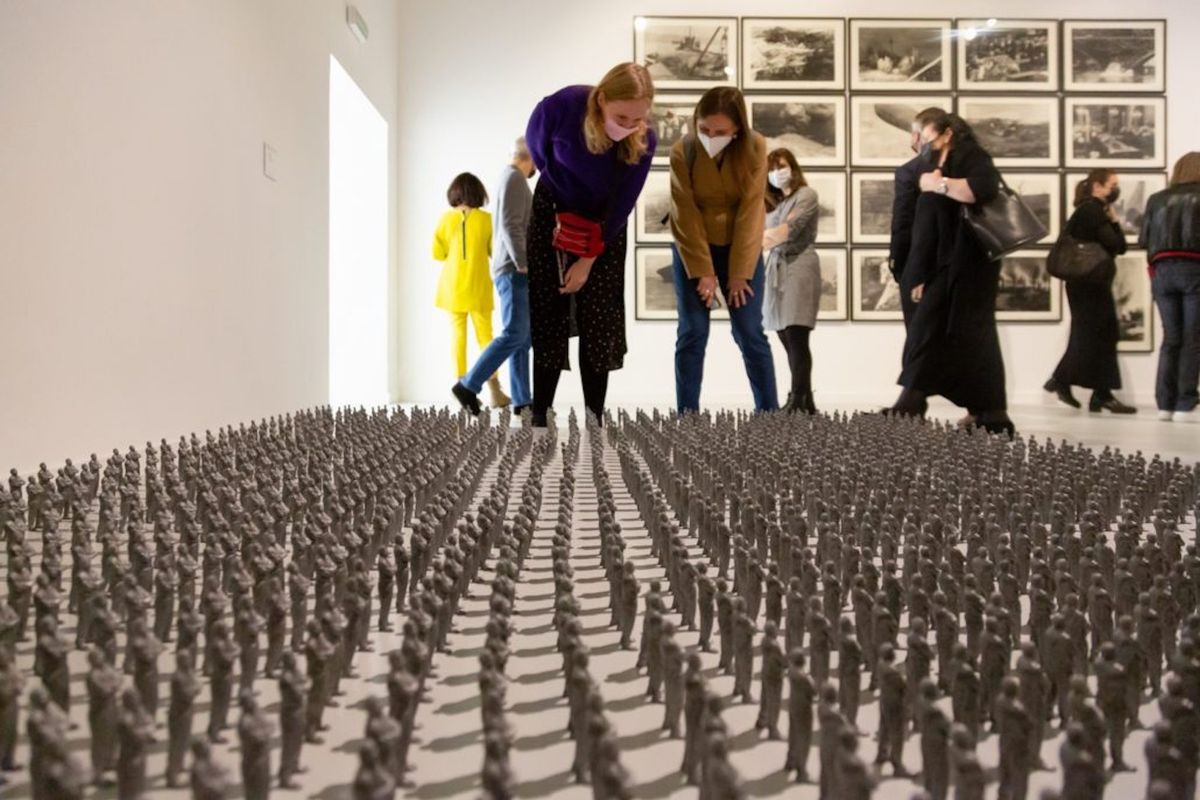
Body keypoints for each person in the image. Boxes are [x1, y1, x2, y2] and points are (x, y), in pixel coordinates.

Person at [524, 62, 656, 426]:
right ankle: (540, 412)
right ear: (601, 99)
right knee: (547, 306)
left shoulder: (645, 139)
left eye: (637, 119)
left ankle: (594, 415)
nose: (628, 126)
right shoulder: (562, 106)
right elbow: (538, 150)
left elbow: (623, 204)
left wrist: (586, 260)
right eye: (621, 116)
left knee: (599, 315)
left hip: (604, 224)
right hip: (552, 207)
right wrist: (559, 206)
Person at [887, 111, 1014, 436]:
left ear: (945, 133)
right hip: (944, 264)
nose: (918, 139)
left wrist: (939, 185)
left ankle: (912, 403)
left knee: (959, 330)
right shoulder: (928, 166)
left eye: (923, 132)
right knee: (957, 334)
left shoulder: (970, 157)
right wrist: (914, 271)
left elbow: (982, 189)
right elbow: (920, 227)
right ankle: (988, 410)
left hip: (971, 264)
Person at [669, 86, 776, 414]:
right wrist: (703, 271)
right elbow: (683, 211)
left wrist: (739, 274)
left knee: (748, 331)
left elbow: (751, 212)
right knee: (692, 332)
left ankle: (769, 414)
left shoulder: (756, 146)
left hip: (740, 249)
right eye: (704, 130)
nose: (710, 137)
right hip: (692, 248)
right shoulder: (683, 150)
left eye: (720, 132)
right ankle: (687, 417)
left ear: (737, 129)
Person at [452, 138, 536, 417]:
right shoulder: (514, 179)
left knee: (522, 337)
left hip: (511, 268)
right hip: (513, 270)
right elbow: (512, 224)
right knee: (515, 333)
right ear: (531, 155)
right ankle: (468, 385)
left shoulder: (511, 178)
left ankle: (523, 400)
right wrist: (523, 263)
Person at [1044, 169, 1136, 414]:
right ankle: (1095, 392)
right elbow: (1117, 245)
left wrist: (1113, 220)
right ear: (1097, 186)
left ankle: (1081, 387)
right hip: (1089, 284)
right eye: (1112, 185)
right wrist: (1115, 222)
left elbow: (1120, 247)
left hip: (1086, 284)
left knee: (1091, 334)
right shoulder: (1092, 211)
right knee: (1101, 334)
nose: (1115, 189)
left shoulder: (1090, 210)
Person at [432, 172, 509, 408]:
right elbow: (492, 252)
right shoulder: (486, 220)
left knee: (458, 338)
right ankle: (495, 392)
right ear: (478, 193)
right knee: (486, 339)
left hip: (452, 289)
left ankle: (462, 388)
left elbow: (437, 253)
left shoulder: (446, 220)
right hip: (478, 288)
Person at [1140, 151, 1200, 423]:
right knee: (1192, 339)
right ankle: (1185, 404)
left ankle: (1165, 404)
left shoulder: (1157, 199)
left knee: (1171, 339)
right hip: (1195, 269)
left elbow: (1144, 240)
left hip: (1162, 272)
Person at [762, 148, 820, 414]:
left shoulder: (806, 196)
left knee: (797, 334)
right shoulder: (775, 204)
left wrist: (757, 240)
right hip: (776, 269)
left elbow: (787, 231)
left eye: (781, 166)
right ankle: (804, 399)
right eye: (771, 169)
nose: (777, 173)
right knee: (784, 333)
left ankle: (799, 397)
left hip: (799, 266)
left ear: (793, 167)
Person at [891, 107, 947, 336]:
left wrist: (898, 265)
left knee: (919, 343)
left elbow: (902, 224)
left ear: (917, 137)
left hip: (919, 267)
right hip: (953, 269)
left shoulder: (909, 172)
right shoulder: (959, 171)